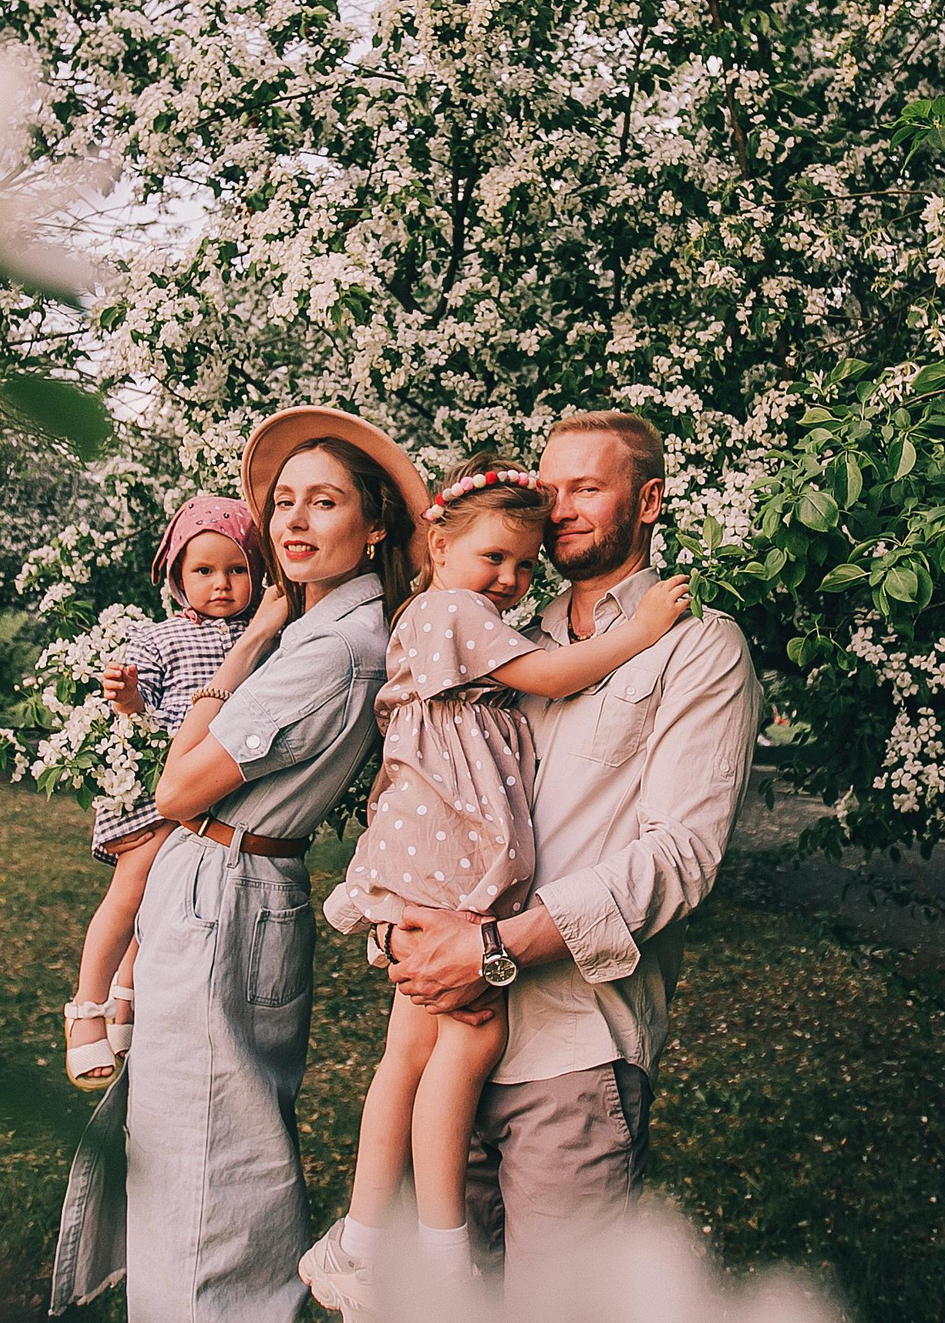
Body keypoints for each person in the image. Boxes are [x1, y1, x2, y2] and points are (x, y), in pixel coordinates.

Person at [296, 454, 693, 1312]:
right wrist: (643, 628)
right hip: (442, 859)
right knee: (463, 1041)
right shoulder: (454, 611)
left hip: (434, 857)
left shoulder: (451, 611)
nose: (511, 579)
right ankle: (427, 1245)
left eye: (524, 564)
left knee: (412, 1052)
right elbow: (551, 677)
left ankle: (368, 1237)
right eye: (494, 560)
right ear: (438, 546)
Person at [381, 411, 763, 1291]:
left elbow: (682, 857)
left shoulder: (698, 646)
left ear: (650, 501)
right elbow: (424, 785)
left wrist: (494, 950)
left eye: (588, 489)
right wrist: (401, 927)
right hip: (448, 1036)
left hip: (571, 1051)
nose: (559, 510)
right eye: (550, 490)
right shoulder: (496, 629)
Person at [116, 407, 431, 1323]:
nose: (291, 521)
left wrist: (247, 642)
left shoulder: (327, 650)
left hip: (227, 886)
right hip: (238, 883)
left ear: (374, 527)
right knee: (211, 1140)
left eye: (323, 502)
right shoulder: (329, 630)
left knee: (209, 1161)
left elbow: (176, 789)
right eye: (283, 502)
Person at [58, 495, 262, 1090]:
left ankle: (126, 1000)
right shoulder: (161, 638)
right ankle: (87, 1010)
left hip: (212, 791)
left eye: (237, 569)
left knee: (157, 903)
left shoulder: (262, 637)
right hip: (154, 786)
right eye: (203, 571)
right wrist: (124, 696)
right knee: (131, 891)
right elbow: (140, 705)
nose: (221, 584)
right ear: (176, 575)